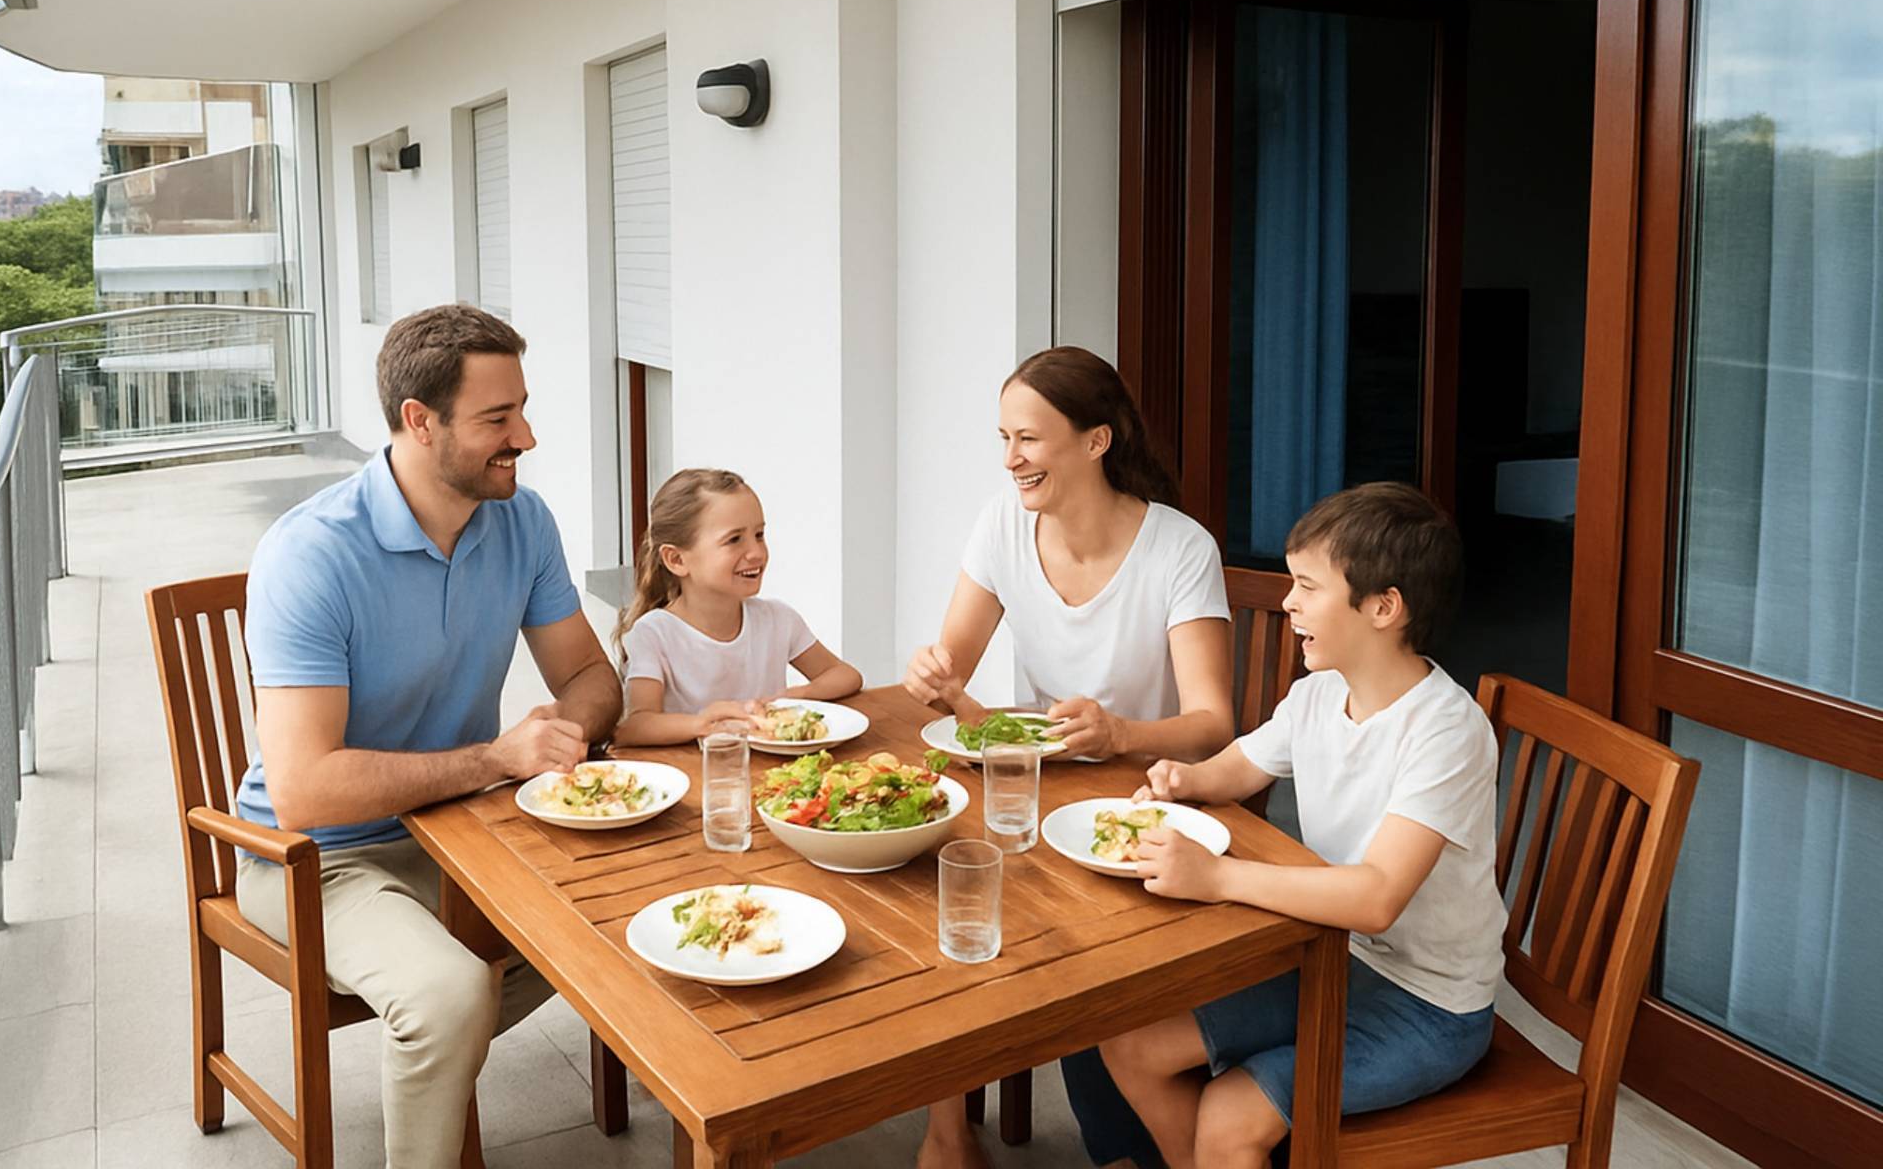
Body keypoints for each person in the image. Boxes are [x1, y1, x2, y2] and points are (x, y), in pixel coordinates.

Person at [234, 304, 623, 1169]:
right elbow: (304, 789)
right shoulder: (311, 556)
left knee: (614, 923)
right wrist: (495, 759)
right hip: (307, 856)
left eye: (521, 408)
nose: (525, 435)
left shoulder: (522, 521)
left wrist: (565, 730)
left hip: (458, 831)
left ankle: (433, 1054)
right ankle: (436, 1044)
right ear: (420, 421)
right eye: (497, 418)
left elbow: (593, 679)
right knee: (448, 994)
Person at [1093, 482, 1504, 1169]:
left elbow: (1376, 899)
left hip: (1429, 1003)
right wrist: (1183, 779)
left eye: (1308, 587)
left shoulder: (1445, 730)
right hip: (1329, 959)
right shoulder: (1319, 694)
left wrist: (1219, 876)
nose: (1288, 602)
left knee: (1231, 1110)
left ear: (1383, 607)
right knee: (1131, 1042)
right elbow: (1241, 766)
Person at [902, 345, 1235, 1169]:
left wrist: (1121, 733)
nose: (1010, 459)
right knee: (944, 901)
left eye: (1030, 439)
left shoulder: (1180, 549)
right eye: (1004, 438)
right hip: (1036, 790)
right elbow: (955, 673)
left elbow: (1212, 724)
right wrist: (934, 676)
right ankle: (948, 1133)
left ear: (1096, 441)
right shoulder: (1002, 525)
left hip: (1151, 801)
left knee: (1080, 963)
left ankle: (1124, 1153)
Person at [610, 467, 863, 745]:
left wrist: (792, 696)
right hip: (699, 776)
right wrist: (702, 724)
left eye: (759, 535)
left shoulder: (778, 619)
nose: (756, 552)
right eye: (734, 540)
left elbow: (845, 675)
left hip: (772, 776)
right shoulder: (654, 634)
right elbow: (635, 725)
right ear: (677, 560)